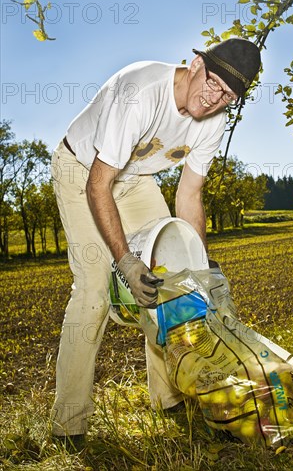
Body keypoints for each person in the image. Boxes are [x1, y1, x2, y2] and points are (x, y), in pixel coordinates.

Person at [50, 37, 261, 445]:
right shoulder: (141, 93)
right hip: (82, 169)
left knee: (175, 281)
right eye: (214, 83)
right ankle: (68, 424)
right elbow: (99, 184)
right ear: (197, 64)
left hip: (136, 179)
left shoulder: (213, 121)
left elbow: (189, 194)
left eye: (228, 97)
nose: (214, 99)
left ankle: (170, 397)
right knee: (94, 290)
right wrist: (126, 261)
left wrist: (201, 271)